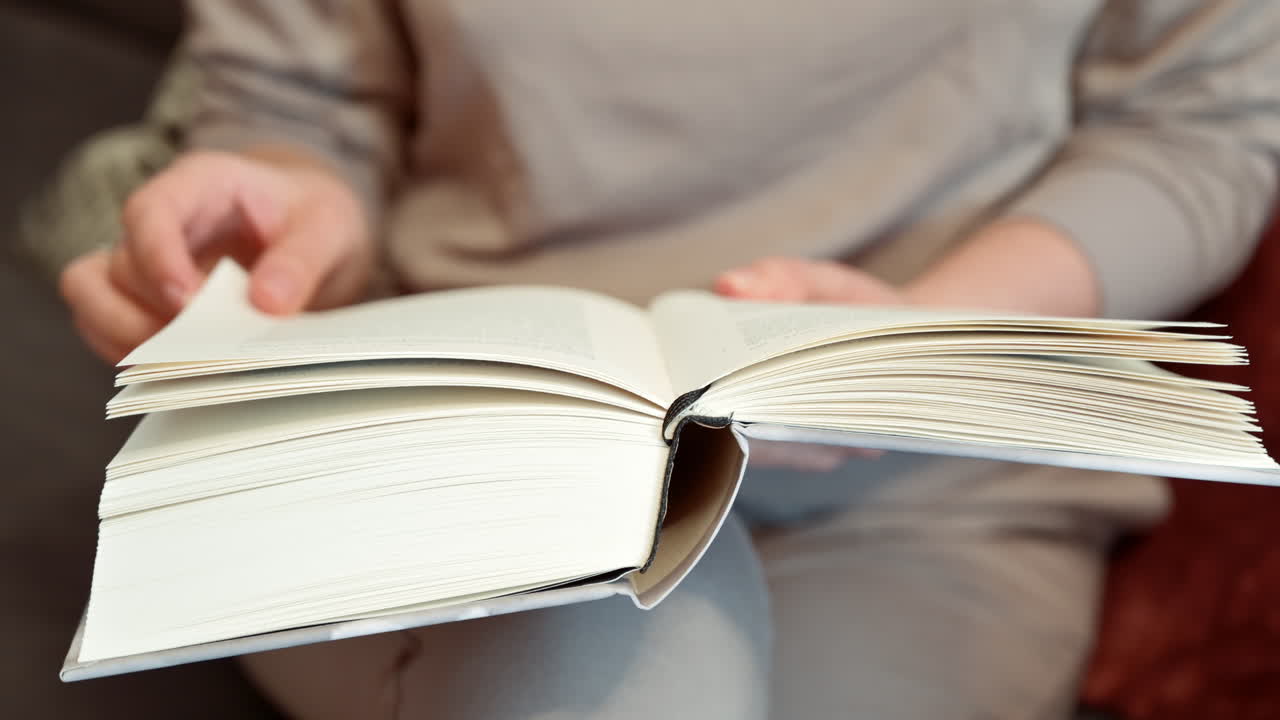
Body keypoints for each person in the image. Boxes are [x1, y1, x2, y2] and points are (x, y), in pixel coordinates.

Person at [55, 1, 1280, 718]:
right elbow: (300, 102)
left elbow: (1197, 129)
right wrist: (289, 211)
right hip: (448, 445)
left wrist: (911, 333)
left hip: (926, 483)